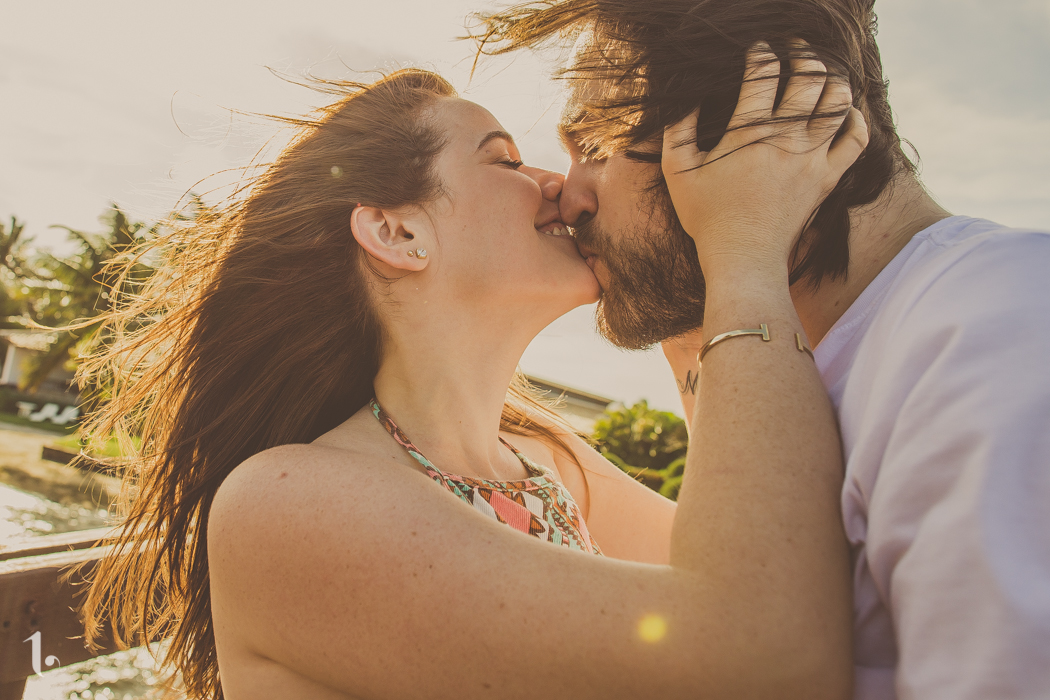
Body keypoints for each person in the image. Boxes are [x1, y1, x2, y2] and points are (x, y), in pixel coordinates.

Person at [74, 58, 865, 698]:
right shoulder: (286, 500)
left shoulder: (549, 466)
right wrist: (744, 256)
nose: (555, 182)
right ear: (398, 230)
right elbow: (768, 654)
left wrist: (682, 297)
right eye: (506, 160)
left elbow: (772, 563)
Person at [472, 1, 1050, 698]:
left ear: (759, 109)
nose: (571, 199)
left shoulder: (998, 335)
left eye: (596, 143)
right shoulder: (801, 359)